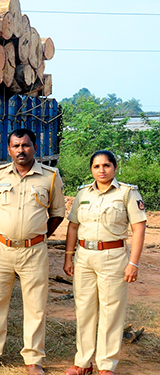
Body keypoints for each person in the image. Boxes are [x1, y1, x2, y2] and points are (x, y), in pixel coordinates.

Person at [0, 128, 65, 375]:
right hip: (1, 249)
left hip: (34, 251)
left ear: (35, 147)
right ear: (9, 149)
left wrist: (36, 234)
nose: (20, 150)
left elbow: (57, 214)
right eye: (16, 146)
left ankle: (33, 359)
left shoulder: (50, 177)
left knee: (35, 306)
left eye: (25, 145)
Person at [62, 150, 147, 375]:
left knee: (111, 311)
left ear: (115, 168)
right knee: (84, 310)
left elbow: (139, 229)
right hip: (84, 257)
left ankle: (107, 365)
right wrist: (69, 256)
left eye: (106, 165)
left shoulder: (127, 193)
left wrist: (134, 263)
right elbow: (73, 226)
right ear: (91, 169)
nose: (102, 170)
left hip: (113, 257)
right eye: (97, 166)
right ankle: (83, 362)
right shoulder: (82, 193)